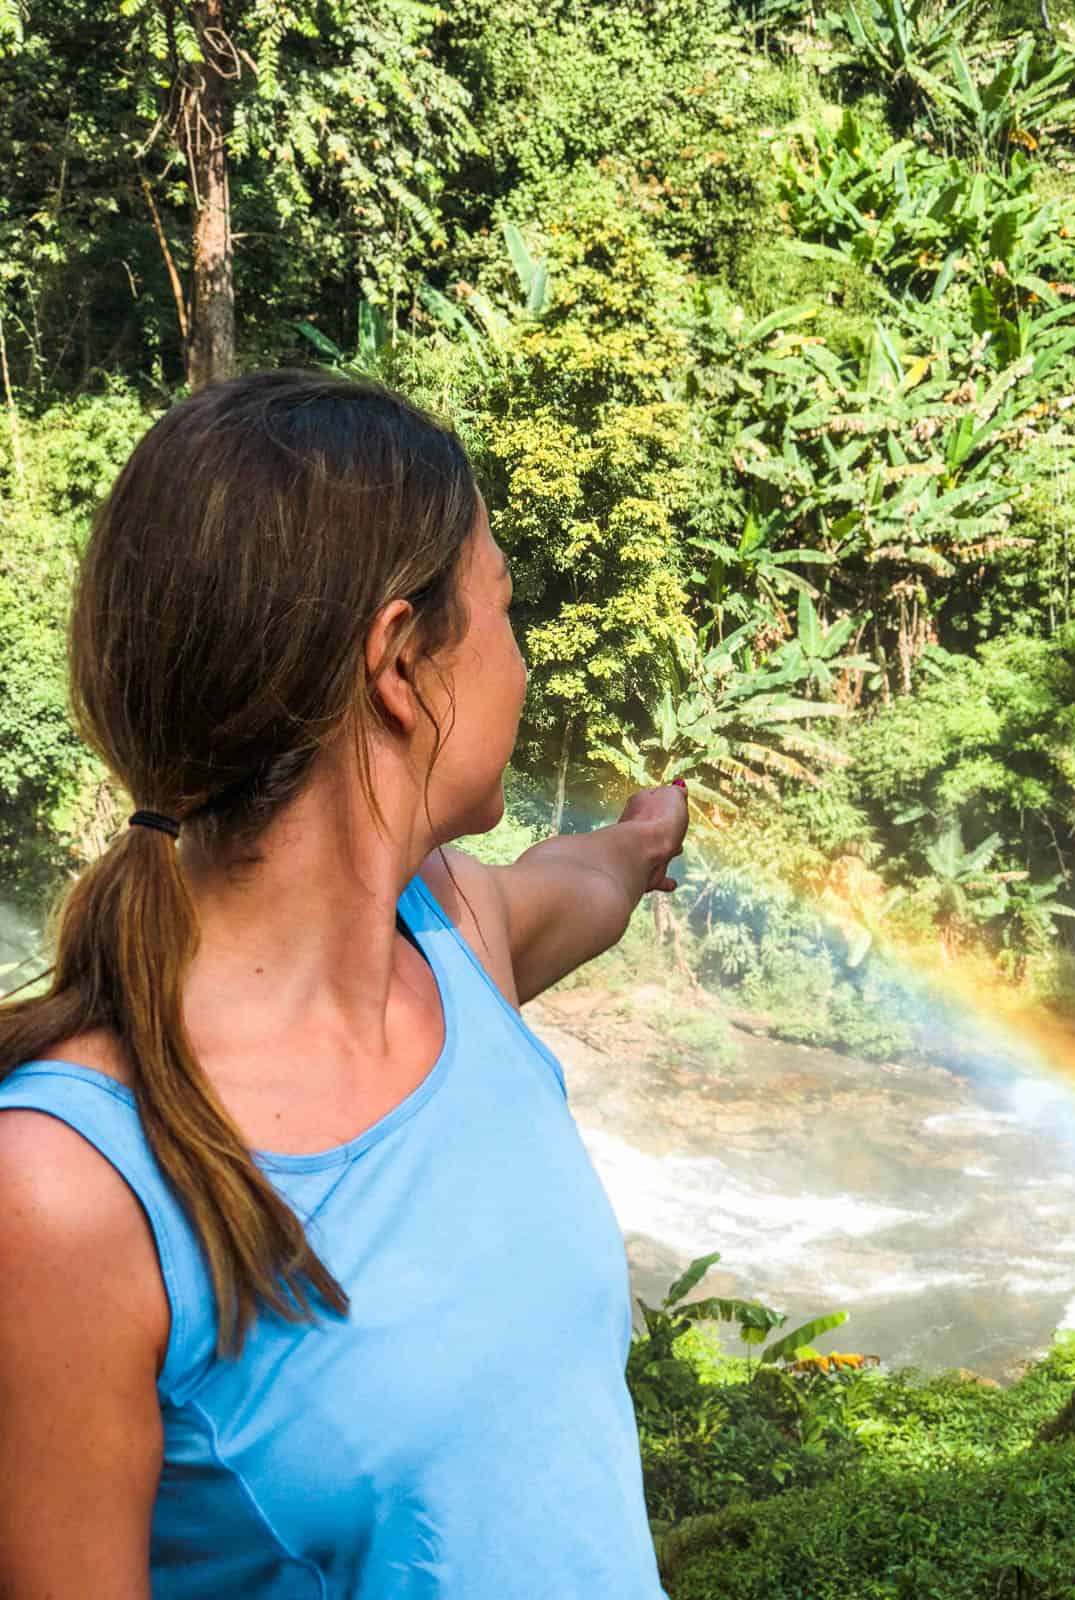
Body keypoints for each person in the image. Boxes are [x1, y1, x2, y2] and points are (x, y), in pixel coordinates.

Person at [0, 369, 689, 1598]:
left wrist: (641, 847)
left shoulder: (456, 941)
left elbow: (572, 880)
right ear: (399, 662)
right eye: (502, 611)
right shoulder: (67, 1187)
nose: (521, 667)